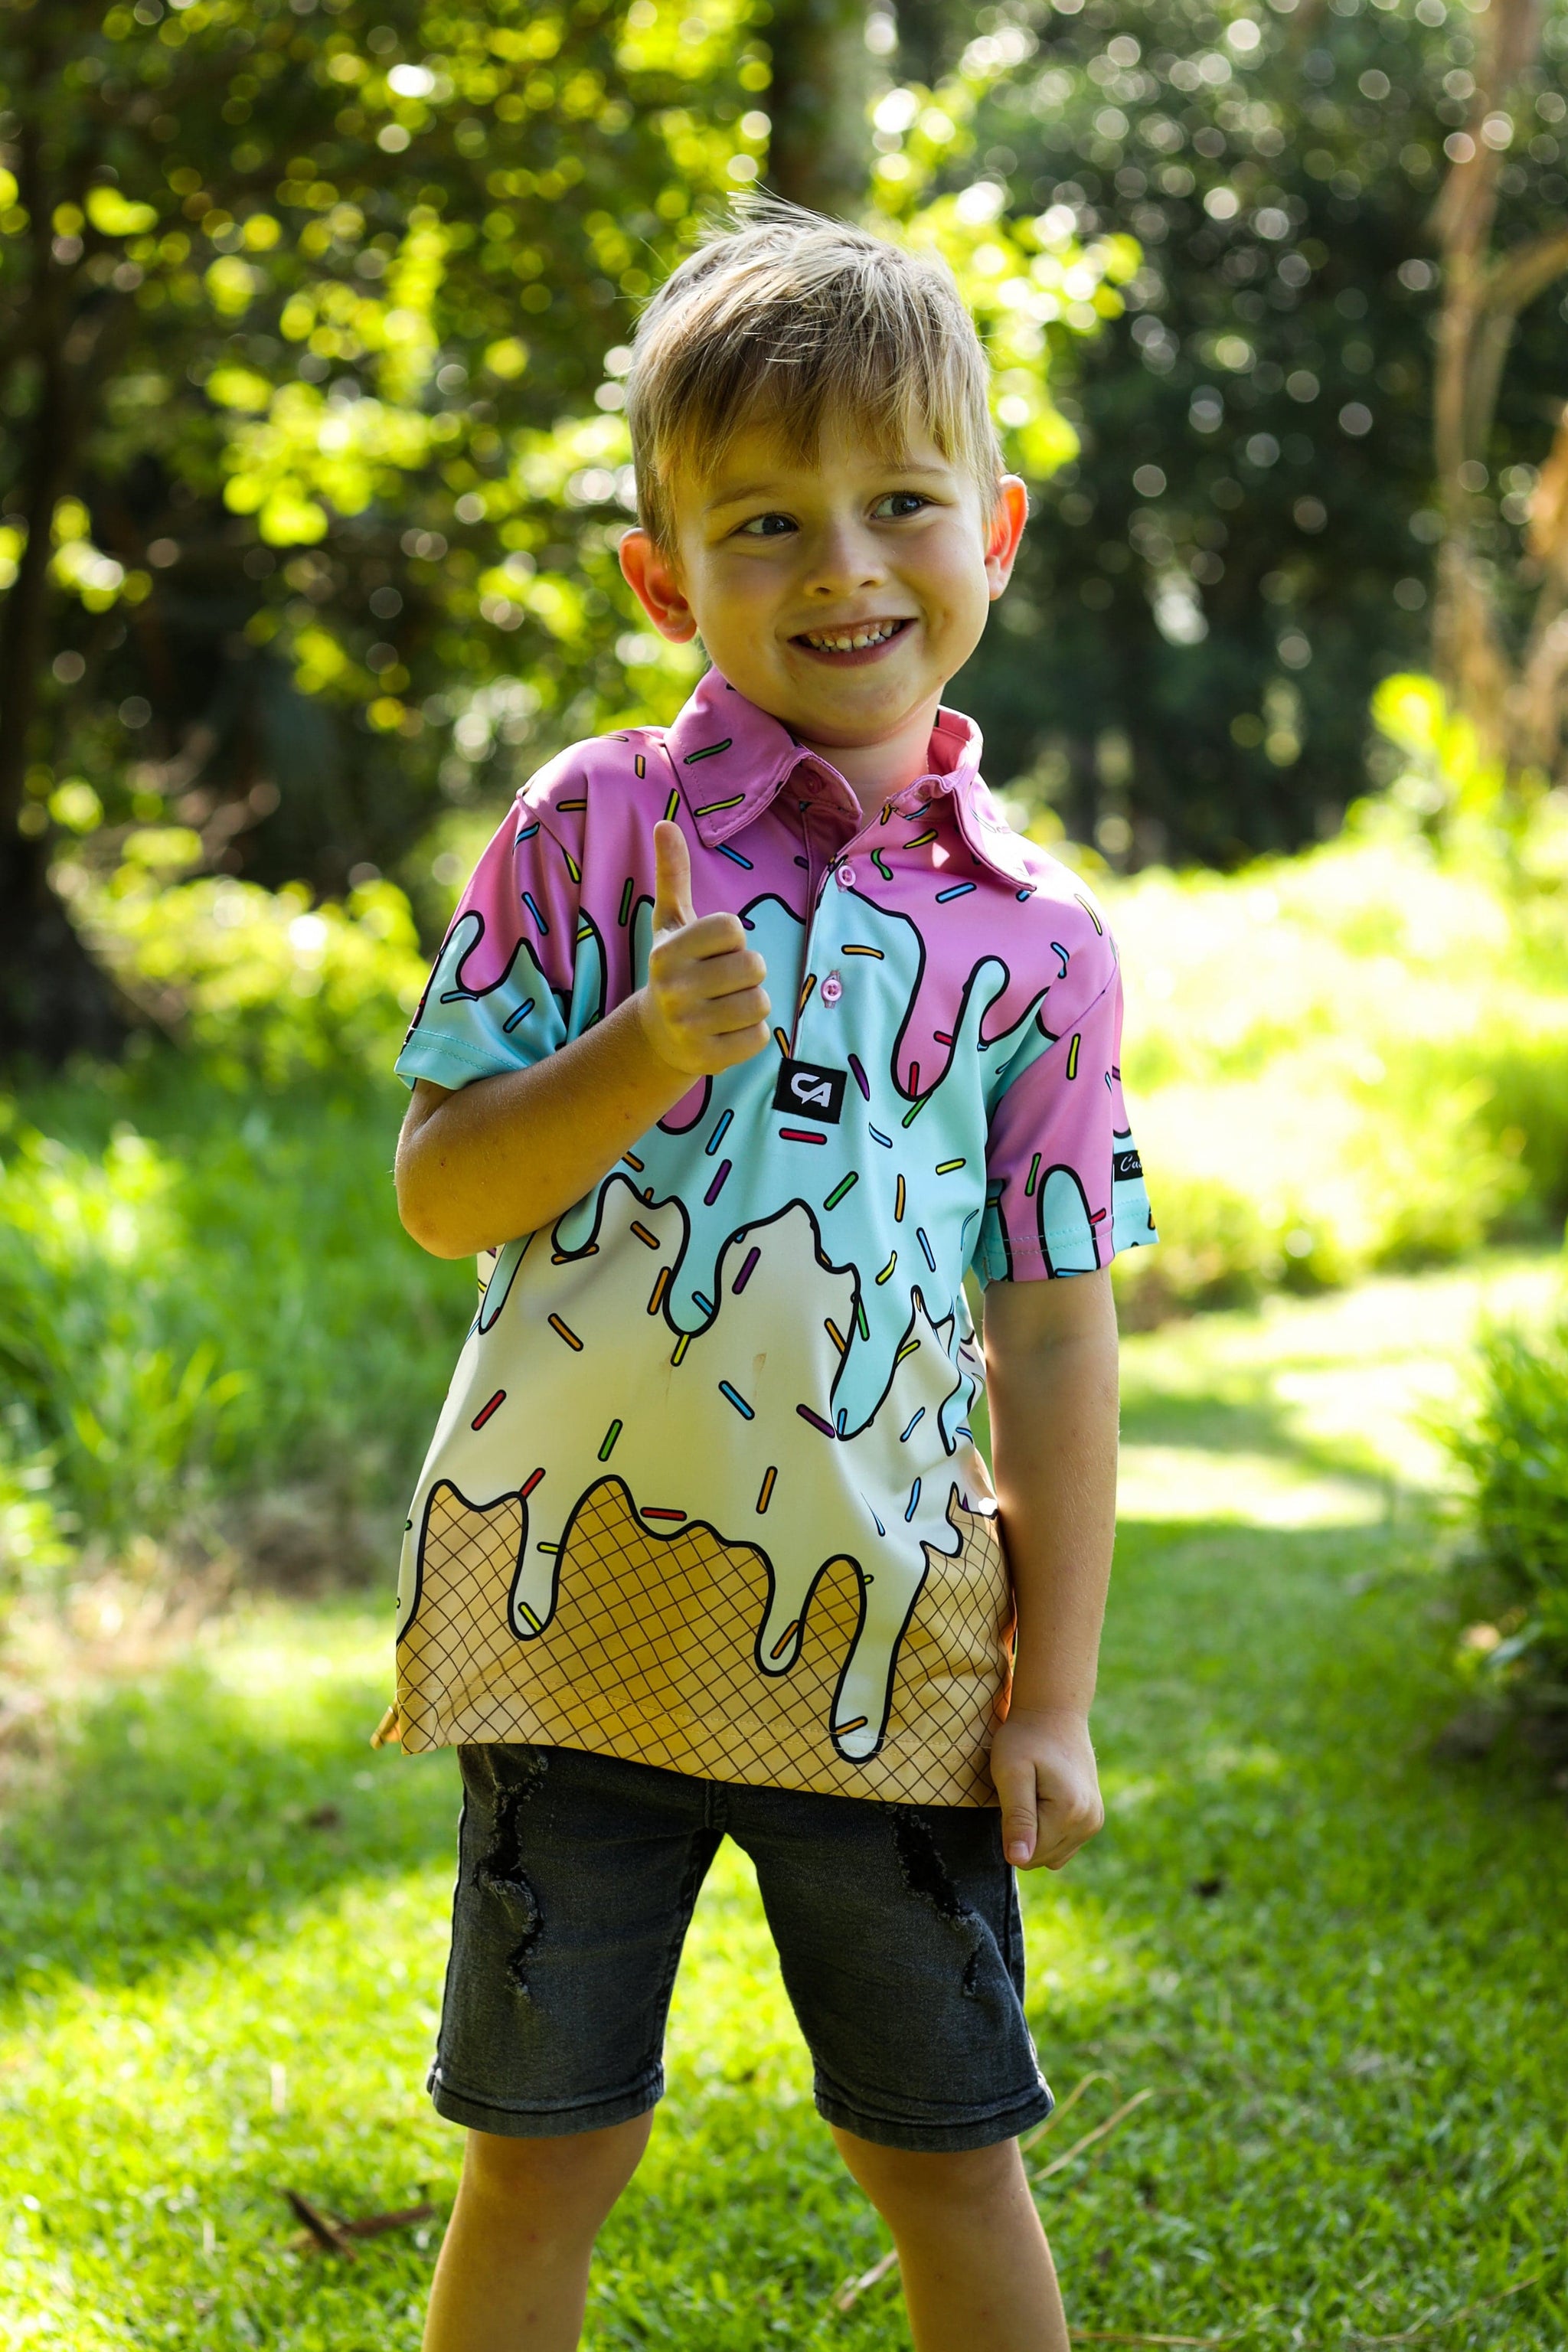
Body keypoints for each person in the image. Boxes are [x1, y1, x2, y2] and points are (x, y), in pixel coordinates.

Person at [391, 200, 1157, 2352]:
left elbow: (1056, 1325)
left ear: (994, 528)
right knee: (545, 2154)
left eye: (900, 501)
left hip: (898, 1643)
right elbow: (442, 1192)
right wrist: (639, 1051)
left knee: (947, 2153)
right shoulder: (589, 828)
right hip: (574, 1626)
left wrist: (1058, 1689)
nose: (843, 567)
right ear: (667, 579)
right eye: (764, 523)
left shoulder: (1043, 940)